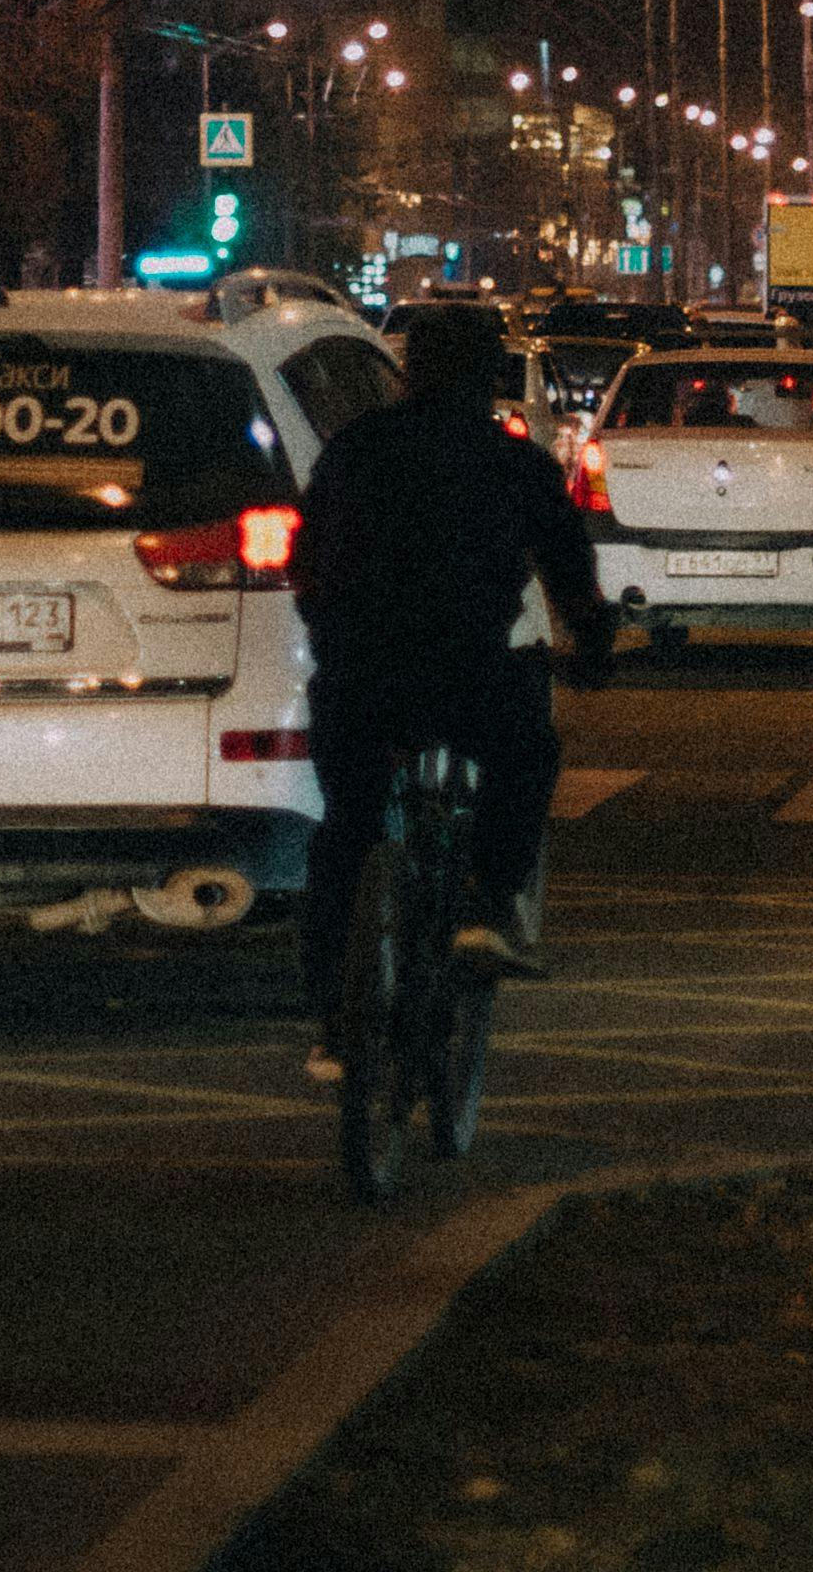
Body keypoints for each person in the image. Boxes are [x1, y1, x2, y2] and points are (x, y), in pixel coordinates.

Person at [290, 307, 617, 1075]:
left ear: (409, 371)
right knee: (528, 752)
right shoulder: (514, 464)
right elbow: (570, 574)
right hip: (467, 672)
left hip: (360, 678)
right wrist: (594, 648)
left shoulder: (354, 450)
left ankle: (335, 1023)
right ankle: (488, 905)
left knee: (347, 831)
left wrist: (331, 634)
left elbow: (304, 558)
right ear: (488, 377)